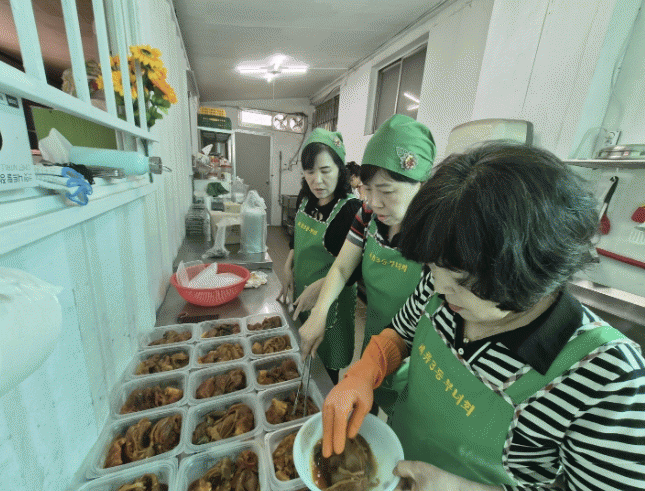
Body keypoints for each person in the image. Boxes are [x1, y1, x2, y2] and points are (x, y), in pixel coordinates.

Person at [322, 142, 645, 490]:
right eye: (432, 268)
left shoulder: (609, 379)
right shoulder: (441, 283)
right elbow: (402, 333)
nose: (439, 287)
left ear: (526, 270)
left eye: (460, 279)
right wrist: (366, 370)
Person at [299, 115, 441, 416]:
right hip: (375, 336)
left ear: (421, 184)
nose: (375, 202)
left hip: (419, 353)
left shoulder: (436, 235)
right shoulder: (367, 215)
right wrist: (320, 313)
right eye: (368, 189)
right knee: (366, 407)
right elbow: (341, 268)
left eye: (387, 191)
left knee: (408, 421)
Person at [278, 128, 362, 384]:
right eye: (309, 172)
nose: (317, 181)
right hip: (302, 295)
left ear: (340, 169)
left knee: (325, 373)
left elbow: (353, 270)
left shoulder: (351, 210)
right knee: (302, 360)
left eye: (325, 171)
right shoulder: (306, 199)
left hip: (332, 307)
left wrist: (321, 288)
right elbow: (297, 238)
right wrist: (288, 265)